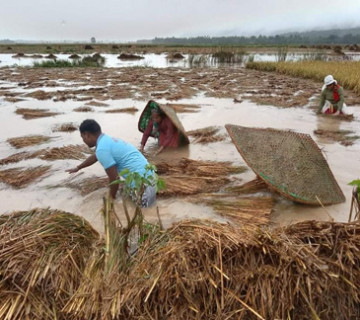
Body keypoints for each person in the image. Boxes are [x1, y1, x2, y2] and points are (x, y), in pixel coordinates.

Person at [66, 119, 156, 208]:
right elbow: (94, 157)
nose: (83, 141)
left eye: (83, 137)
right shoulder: (106, 140)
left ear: (87, 135)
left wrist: (111, 200)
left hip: (143, 188)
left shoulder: (102, 148)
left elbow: (114, 178)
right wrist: (78, 167)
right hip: (150, 179)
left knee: (144, 214)